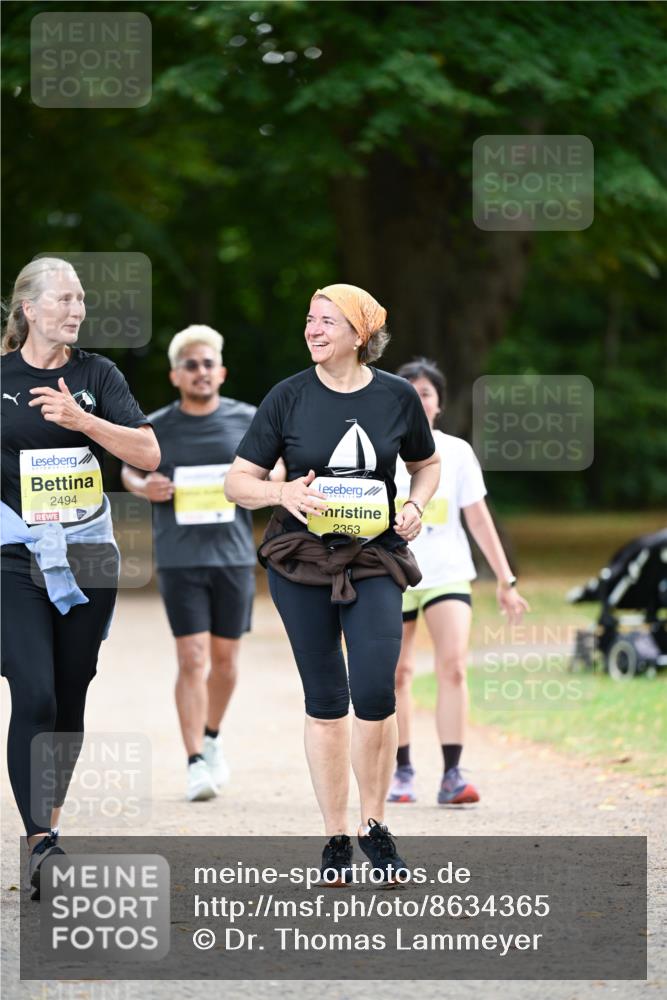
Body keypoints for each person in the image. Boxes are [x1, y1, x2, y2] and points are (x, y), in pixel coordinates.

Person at [224, 284, 440, 883]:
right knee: (326, 700)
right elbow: (238, 482)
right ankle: (335, 837)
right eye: (309, 320)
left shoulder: (398, 396)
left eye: (326, 321)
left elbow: (426, 464)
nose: (312, 331)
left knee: (375, 692)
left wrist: (417, 506)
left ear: (361, 334)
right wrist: (282, 491)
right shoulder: (287, 397)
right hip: (301, 561)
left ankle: (376, 826)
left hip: (375, 560)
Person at [0, 258, 159, 898]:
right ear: (30, 309)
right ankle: (41, 840)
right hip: (13, 555)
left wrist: (84, 421)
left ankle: (51, 826)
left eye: (82, 299)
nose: (77, 309)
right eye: (64, 298)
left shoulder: (98, 375)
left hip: (88, 555)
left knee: (70, 696)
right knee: (33, 691)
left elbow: (148, 453)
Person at [122, 326, 275, 802]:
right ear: (175, 375)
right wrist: (142, 486)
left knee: (225, 663)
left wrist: (273, 482)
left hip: (231, 556)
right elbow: (129, 466)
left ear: (222, 371)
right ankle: (193, 763)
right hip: (179, 557)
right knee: (191, 657)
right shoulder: (157, 425)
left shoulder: (247, 420)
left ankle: (211, 736)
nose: (201, 372)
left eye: (208, 363)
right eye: (191, 365)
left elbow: (275, 466)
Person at [388, 357, 529, 806]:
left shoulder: (457, 452)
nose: (416, 399)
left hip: (447, 573)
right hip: (391, 574)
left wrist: (505, 579)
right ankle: (402, 771)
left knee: (453, 667)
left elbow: (479, 519)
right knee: (397, 674)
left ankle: (452, 774)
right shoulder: (378, 451)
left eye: (425, 393)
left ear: (438, 404)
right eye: (408, 392)